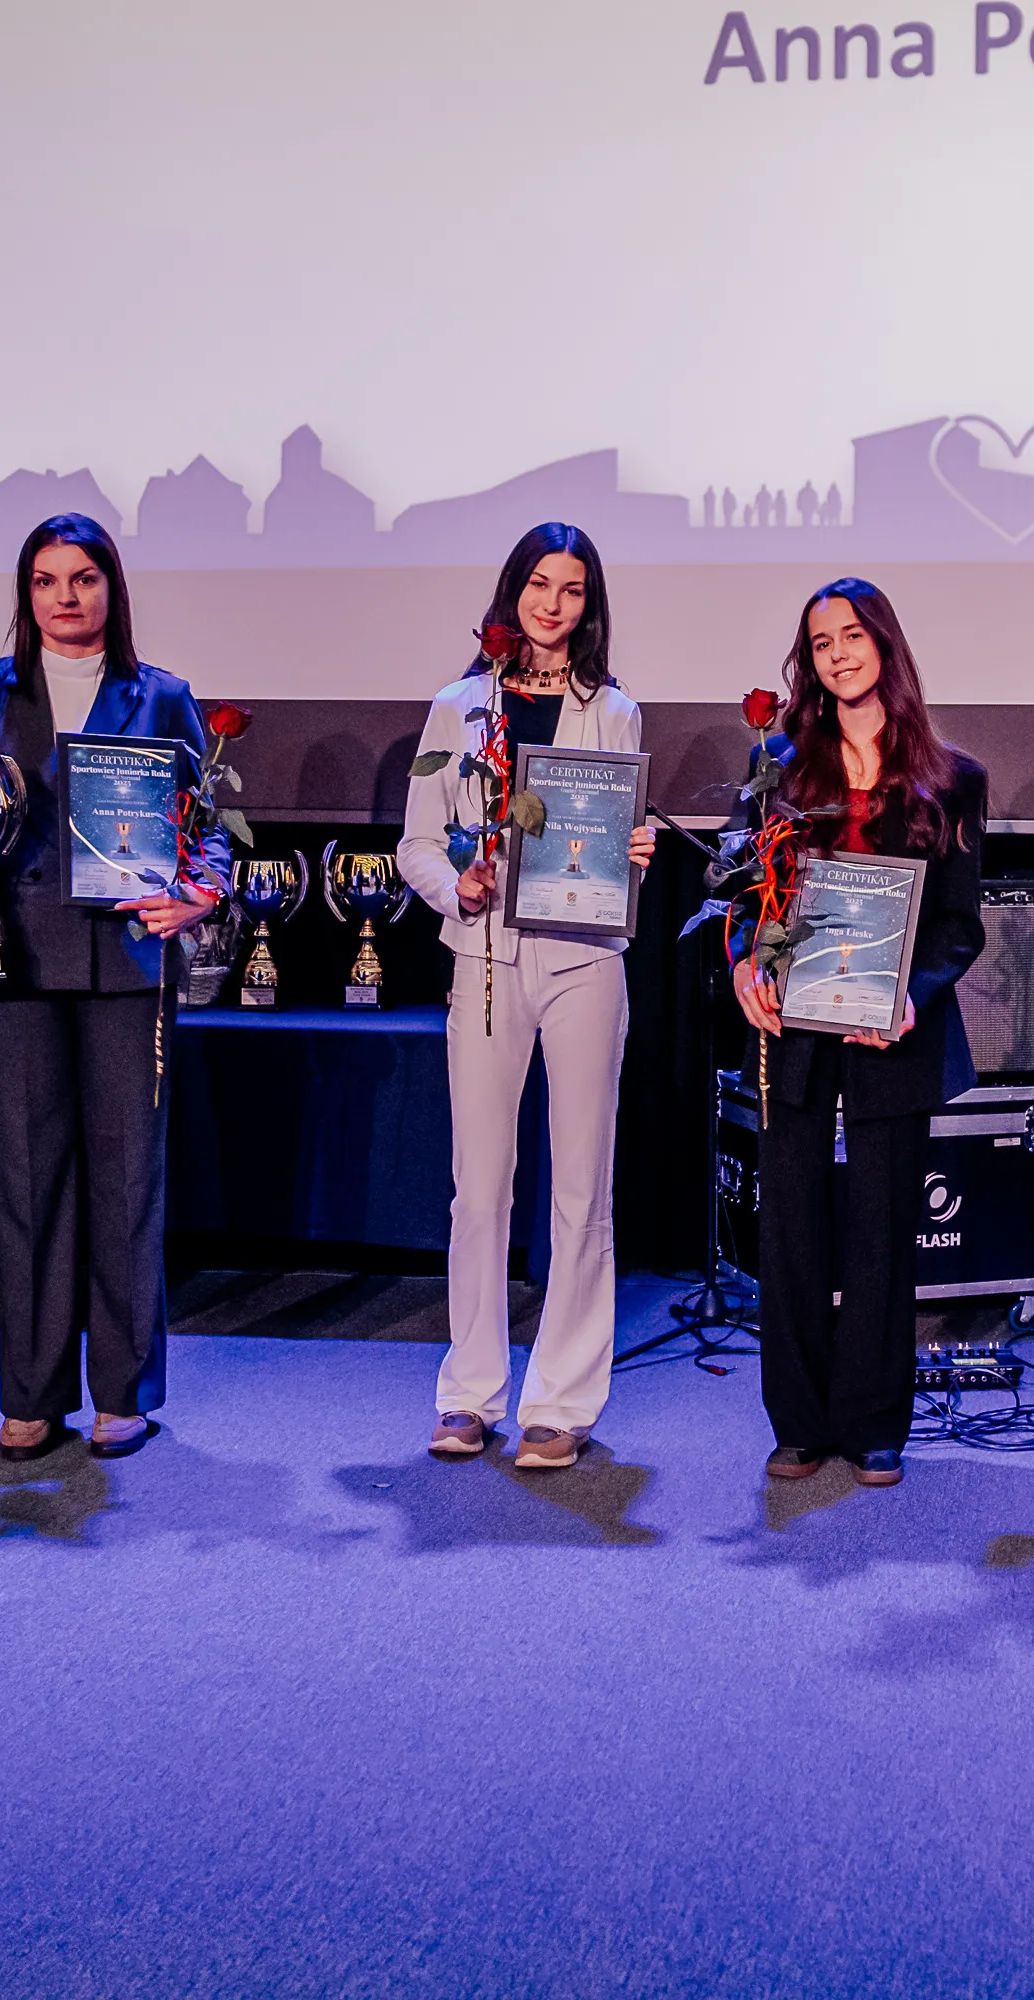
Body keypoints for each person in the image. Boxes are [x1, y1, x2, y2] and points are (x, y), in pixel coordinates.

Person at [0, 513, 227, 1463]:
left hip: (127, 964)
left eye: (84, 578)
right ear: (26, 593)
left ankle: (122, 1392)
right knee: (28, 1178)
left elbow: (209, 827)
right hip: (16, 960)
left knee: (127, 1180)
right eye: (46, 580)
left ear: (111, 588)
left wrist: (199, 892)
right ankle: (32, 1393)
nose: (66, 596)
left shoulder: (163, 694)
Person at [396, 523, 653, 1469]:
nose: (553, 604)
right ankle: (469, 1393)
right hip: (485, 959)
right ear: (512, 592)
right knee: (480, 1188)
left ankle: (563, 1401)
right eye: (540, 584)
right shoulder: (458, 707)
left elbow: (612, 843)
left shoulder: (615, 712)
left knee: (582, 1185)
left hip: (584, 958)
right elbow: (416, 844)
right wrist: (453, 886)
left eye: (572, 589)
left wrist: (635, 855)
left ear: (590, 606)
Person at [730, 578, 986, 1489]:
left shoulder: (952, 777)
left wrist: (911, 996)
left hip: (894, 1032)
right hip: (793, 1029)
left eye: (852, 636)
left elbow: (960, 926)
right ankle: (799, 1424)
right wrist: (744, 965)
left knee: (883, 1230)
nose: (838, 654)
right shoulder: (777, 765)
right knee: (791, 1228)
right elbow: (741, 895)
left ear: (884, 643)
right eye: (821, 642)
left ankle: (876, 1424)